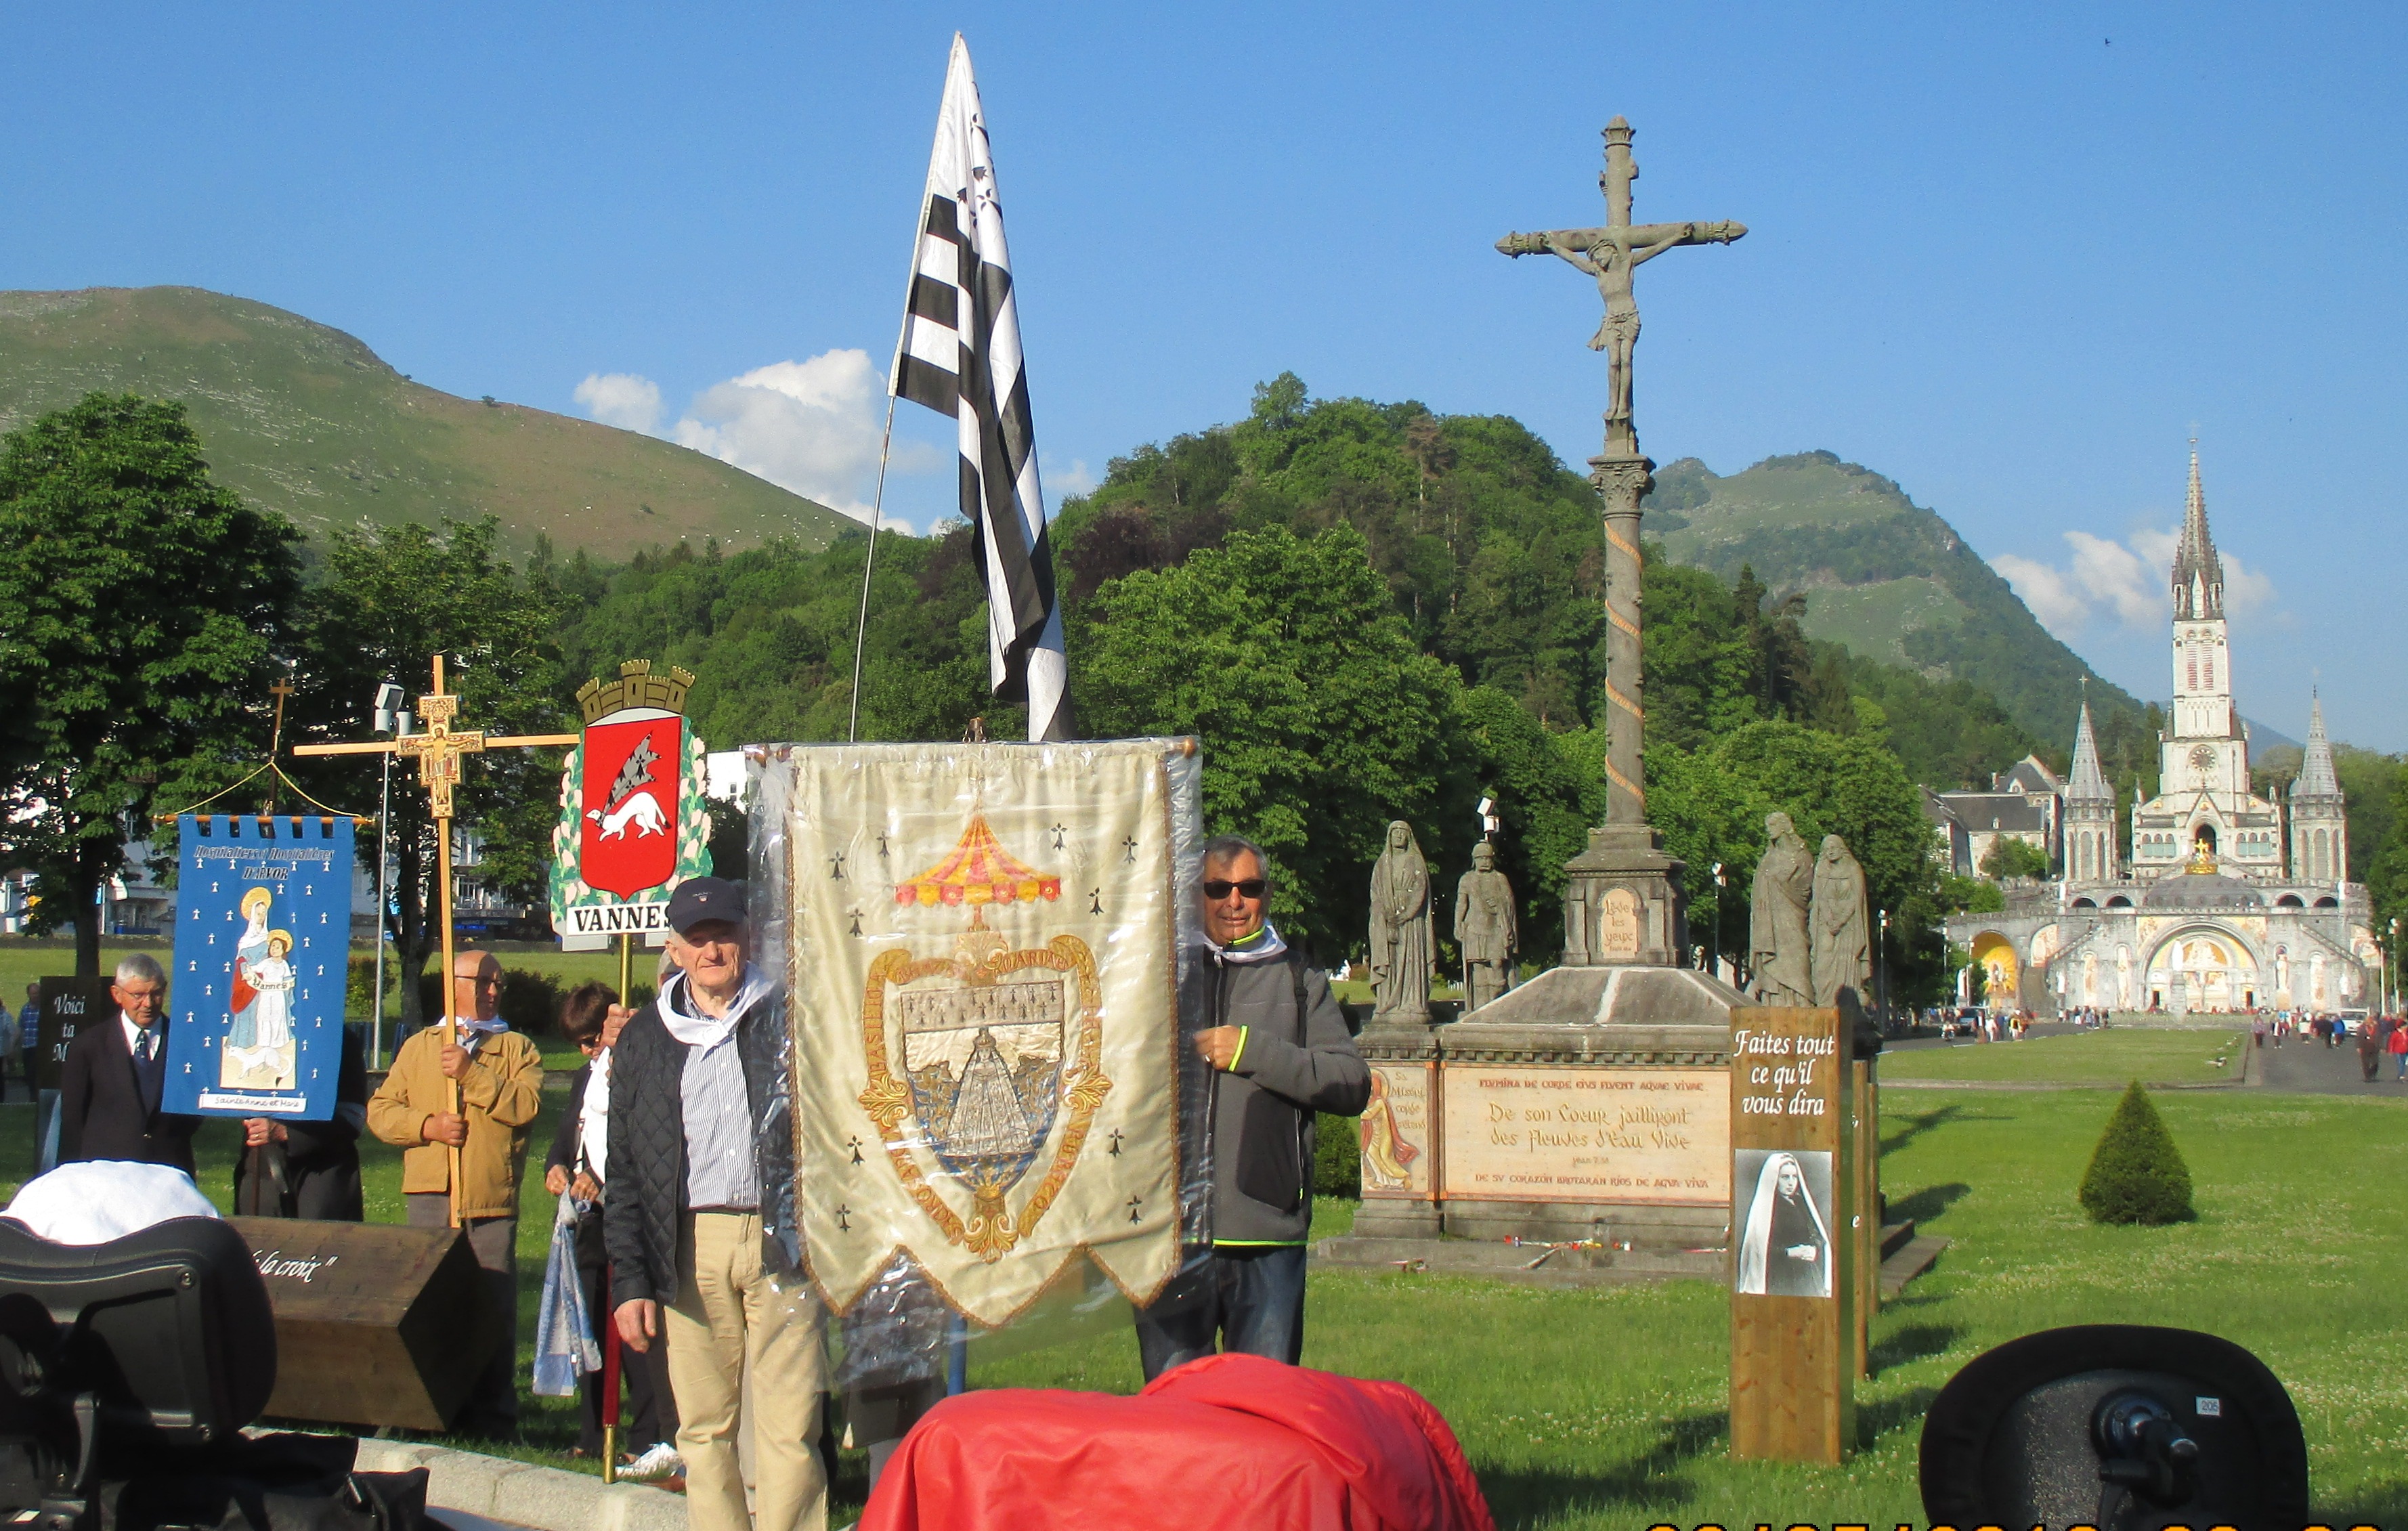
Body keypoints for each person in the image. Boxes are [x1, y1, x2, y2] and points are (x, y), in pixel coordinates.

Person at [605, 878, 830, 1531]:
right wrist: (630, 1281)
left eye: (723, 935)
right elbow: (624, 1169)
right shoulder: (644, 1039)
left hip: (784, 1239)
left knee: (791, 1426)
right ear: (675, 949)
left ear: (746, 938)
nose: (711, 950)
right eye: (697, 939)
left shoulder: (788, 1017)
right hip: (689, 1246)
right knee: (703, 1430)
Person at [1134, 835, 1371, 1381]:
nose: (1233, 901)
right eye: (1218, 888)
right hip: (1171, 1240)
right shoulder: (1162, 977)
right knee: (1176, 1414)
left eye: (1248, 887)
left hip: (1266, 1239)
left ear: (1267, 894)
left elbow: (1351, 1081)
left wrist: (1252, 1051)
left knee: (1263, 1412)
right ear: (1196, 896)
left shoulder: (1300, 979)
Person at [367, 949, 544, 1441]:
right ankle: (427, 1410)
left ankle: (493, 1418)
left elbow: (526, 1106)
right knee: (428, 1308)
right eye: (483, 981)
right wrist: (427, 1126)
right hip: (431, 1195)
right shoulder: (420, 1047)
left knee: (491, 1308)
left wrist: (471, 1073)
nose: (493, 991)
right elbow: (381, 1111)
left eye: (498, 982)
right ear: (455, 983)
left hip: (489, 1199)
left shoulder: (517, 1049)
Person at [544, 982, 679, 1478]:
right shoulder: (588, 1076)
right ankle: (590, 1432)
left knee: (636, 1326)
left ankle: (647, 1435)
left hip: (626, 1208)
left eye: (590, 1040)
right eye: (579, 1045)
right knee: (589, 1323)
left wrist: (602, 1181)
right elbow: (570, 1131)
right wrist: (557, 1165)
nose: (587, 1051)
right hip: (586, 1217)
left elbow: (633, 1141)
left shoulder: (636, 1063)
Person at [58, 954, 198, 1171]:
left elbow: (195, 1107)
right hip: (106, 1172)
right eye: (138, 995)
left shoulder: (186, 1043)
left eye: (156, 994)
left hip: (168, 1172)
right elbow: (73, 1119)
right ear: (117, 994)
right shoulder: (88, 1047)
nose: (148, 1004)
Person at [234, 1021, 368, 1220]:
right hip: (260, 1176)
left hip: (322, 1176)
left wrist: (288, 1133)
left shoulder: (338, 1038)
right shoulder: (249, 1033)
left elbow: (352, 1117)